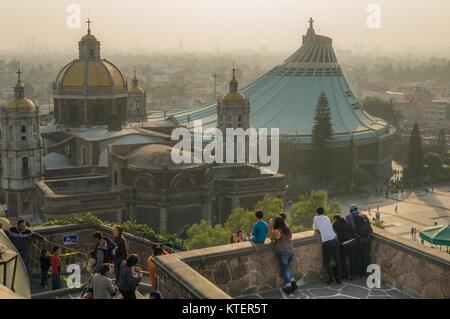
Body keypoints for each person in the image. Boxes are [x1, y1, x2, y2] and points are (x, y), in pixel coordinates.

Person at [313, 207, 342, 284]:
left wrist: (319, 230)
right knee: (337, 260)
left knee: (327, 262)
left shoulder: (316, 218)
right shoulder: (326, 217)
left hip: (328, 242)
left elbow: (315, 229)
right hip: (335, 240)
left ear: (317, 212)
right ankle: (339, 279)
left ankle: (331, 279)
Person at [269, 216, 297, 294]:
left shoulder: (277, 231)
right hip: (290, 251)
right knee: (287, 269)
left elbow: (271, 238)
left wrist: (270, 226)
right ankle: (294, 284)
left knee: (285, 270)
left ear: (276, 223)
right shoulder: (287, 230)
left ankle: (289, 287)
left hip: (283, 252)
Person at [332, 215, 358, 280]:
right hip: (354, 242)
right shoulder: (347, 222)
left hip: (346, 243)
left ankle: (347, 274)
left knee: (342, 258)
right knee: (352, 259)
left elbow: (331, 231)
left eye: (333, 220)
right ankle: (352, 274)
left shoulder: (336, 223)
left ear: (335, 219)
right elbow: (353, 231)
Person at [353, 209, 373, 277]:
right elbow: (370, 230)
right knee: (365, 256)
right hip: (367, 240)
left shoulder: (356, 218)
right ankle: (365, 272)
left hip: (360, 240)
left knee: (359, 256)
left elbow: (355, 229)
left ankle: (360, 272)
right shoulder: (365, 218)